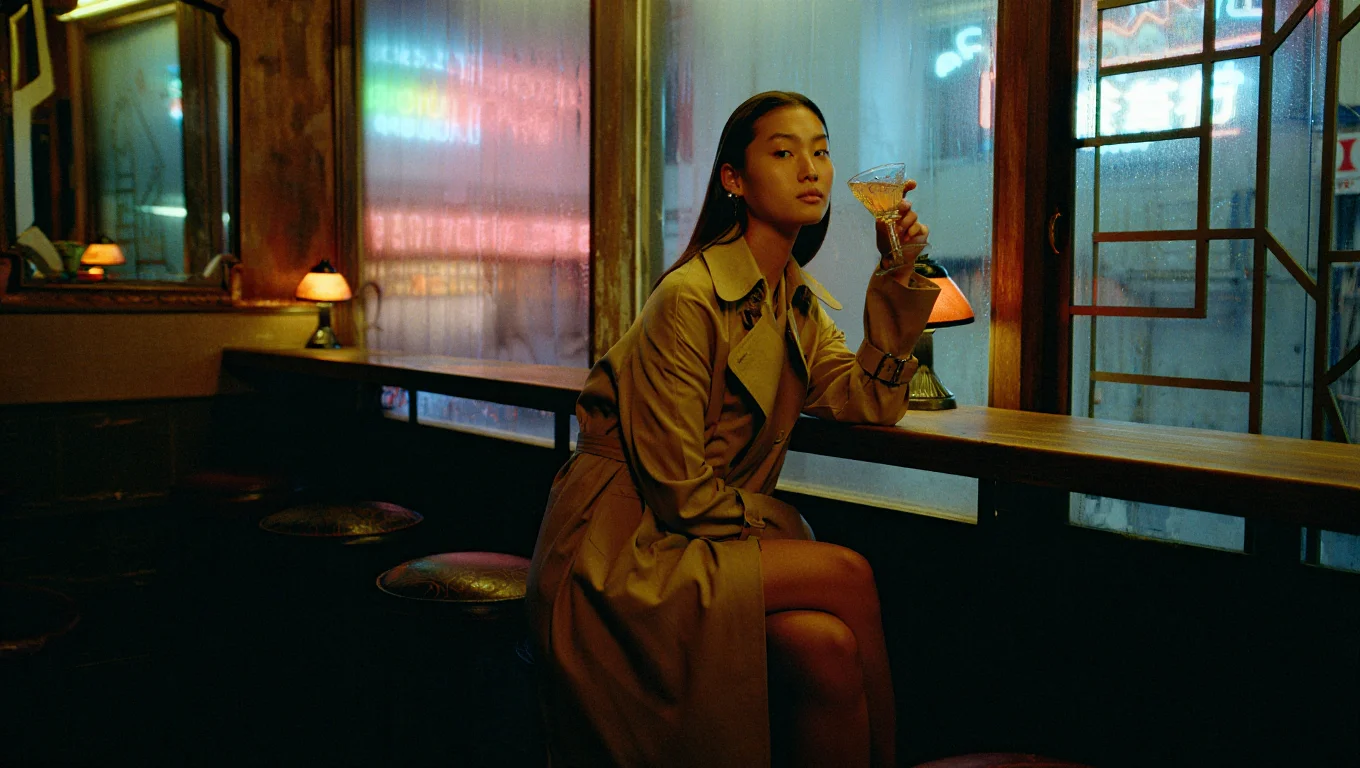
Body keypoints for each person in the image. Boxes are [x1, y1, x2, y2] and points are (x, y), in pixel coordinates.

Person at [526, 91, 940, 768]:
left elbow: (867, 400)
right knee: (847, 572)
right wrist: (783, 521)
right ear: (733, 180)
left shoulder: (794, 300)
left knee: (828, 650)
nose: (810, 168)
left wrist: (897, 271)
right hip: (624, 551)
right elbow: (680, 494)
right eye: (783, 152)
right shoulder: (688, 296)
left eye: (821, 151)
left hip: (697, 540)